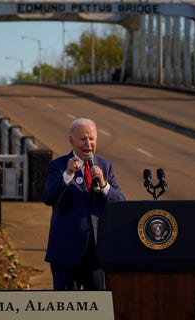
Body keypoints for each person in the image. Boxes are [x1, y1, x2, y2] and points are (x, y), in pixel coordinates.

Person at [43, 118, 126, 290]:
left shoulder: (105, 165)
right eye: (83, 139)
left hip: (96, 255)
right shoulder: (57, 166)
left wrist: (104, 185)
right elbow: (49, 198)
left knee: (98, 308)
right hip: (65, 253)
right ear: (71, 141)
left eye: (92, 139)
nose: (88, 143)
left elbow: (120, 202)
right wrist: (68, 174)